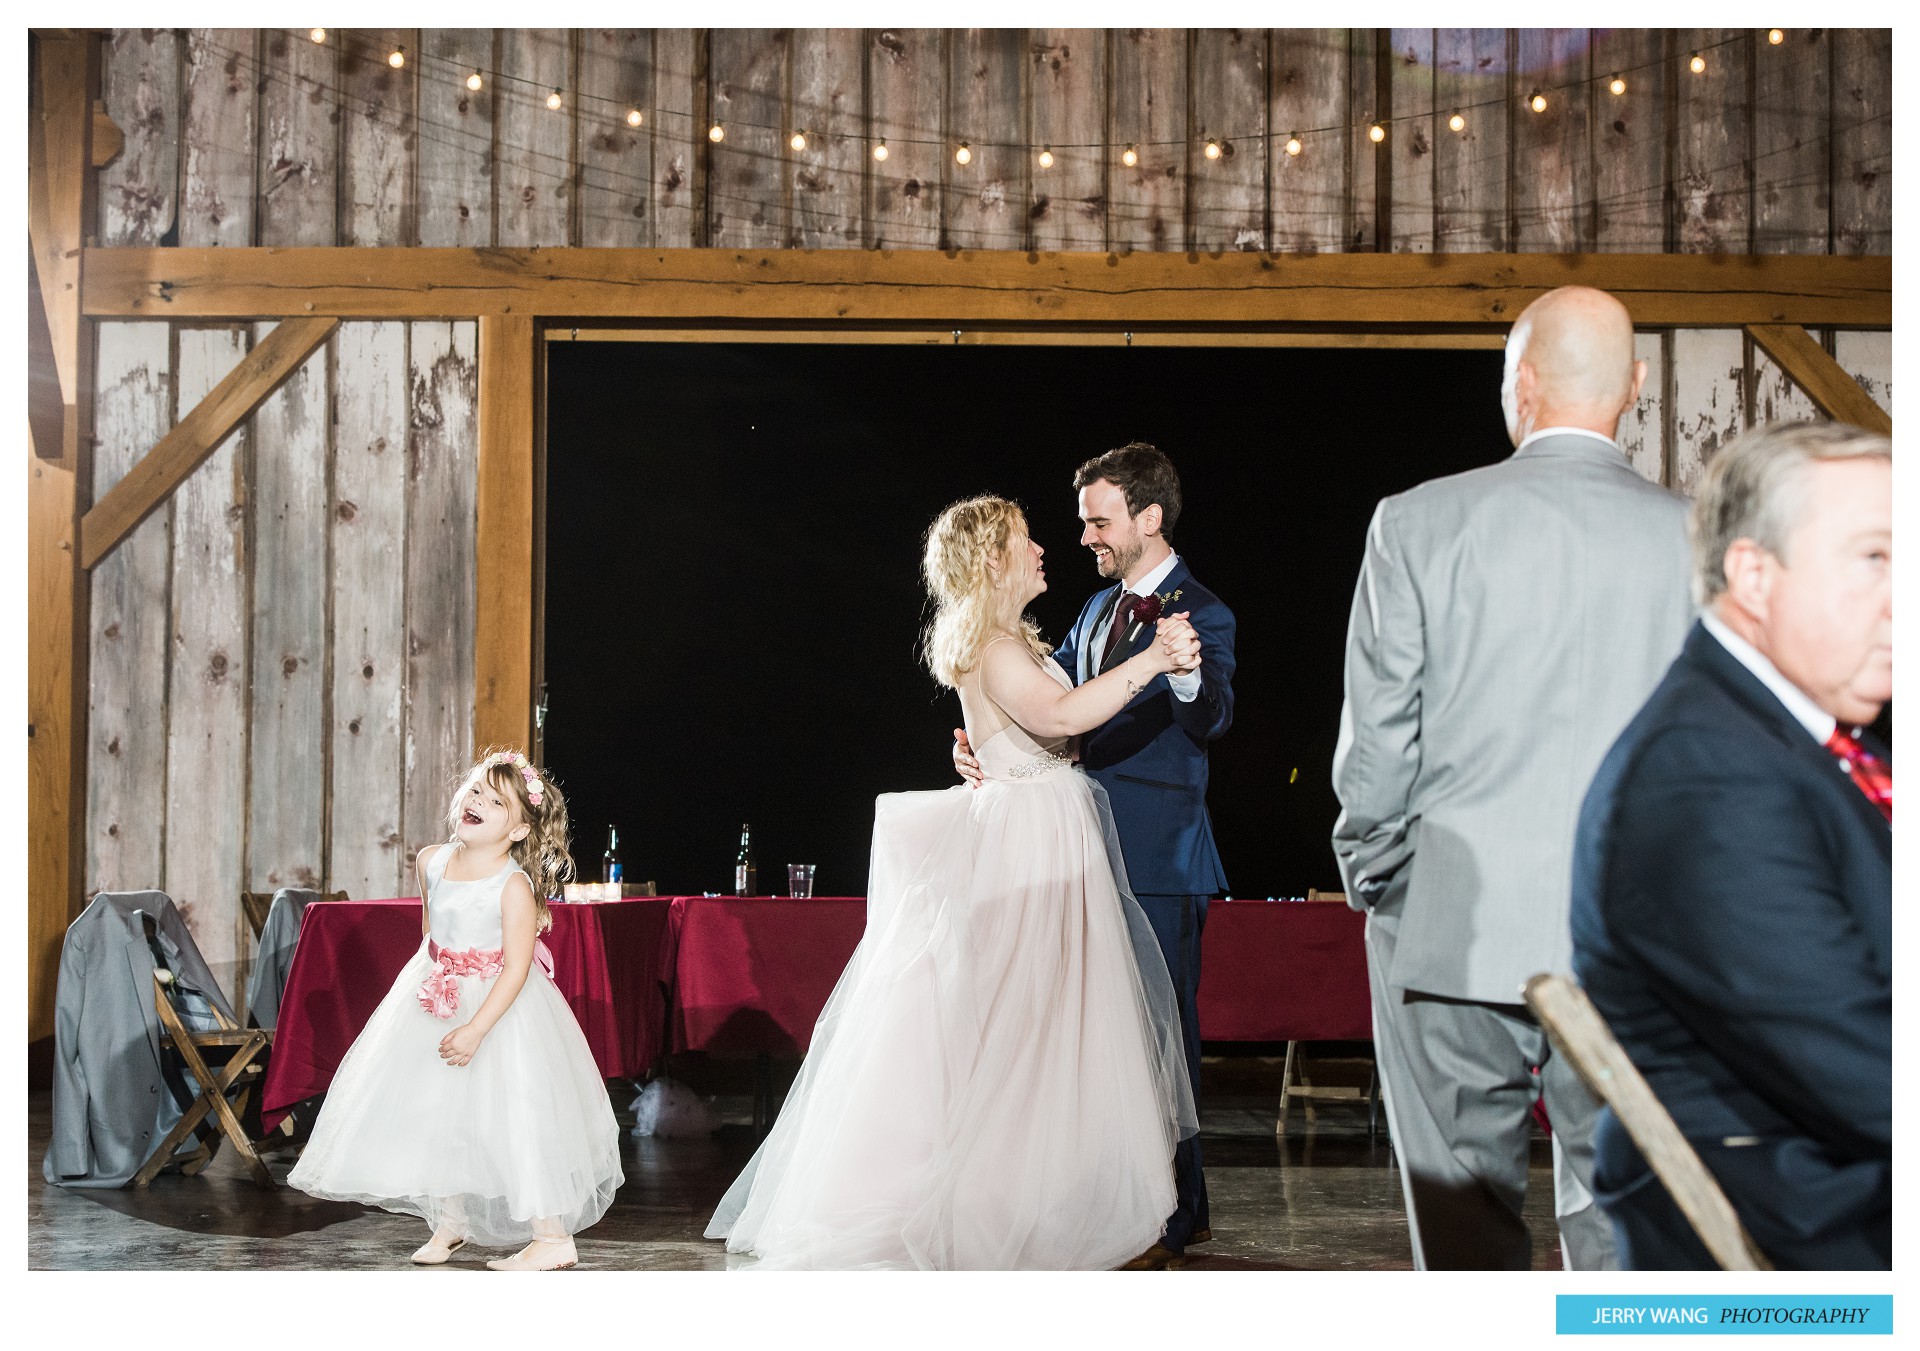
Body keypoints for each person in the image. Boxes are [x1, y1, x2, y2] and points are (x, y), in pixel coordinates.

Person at [707, 495, 1201, 1269]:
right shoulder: (993, 644)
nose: (1043, 547)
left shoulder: (1009, 638)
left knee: (1052, 1030)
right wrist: (1155, 661)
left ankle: (1069, 1208)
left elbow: (1030, 729)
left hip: (1045, 826)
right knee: (1026, 1029)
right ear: (992, 558)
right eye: (1024, 538)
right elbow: (1066, 713)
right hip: (1030, 842)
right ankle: (1007, 1211)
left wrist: (990, 750)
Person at [1331, 285, 1693, 1270]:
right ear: (1639, 387)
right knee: (1626, 1234)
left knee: (1463, 1240)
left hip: (1451, 921)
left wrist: (1382, 882)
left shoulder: (1416, 524)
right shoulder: (1703, 543)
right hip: (1634, 938)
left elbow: (1377, 751)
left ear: (1519, 385)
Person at [1571, 421, 1892, 1270]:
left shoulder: (1803, 739)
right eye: (1874, 559)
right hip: (1818, 1223)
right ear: (1754, 574)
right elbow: (1873, 1076)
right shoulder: (1708, 779)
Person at [953, 442, 1235, 1266]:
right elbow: (1059, 712)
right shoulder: (1092, 613)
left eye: (1099, 520)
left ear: (1148, 519)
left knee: (1161, 1033)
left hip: (1156, 852)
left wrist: (1177, 669)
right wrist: (989, 749)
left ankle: (1180, 1212)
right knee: (1095, 1039)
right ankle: (1114, 1202)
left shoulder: (1203, 611)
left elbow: (1210, 714)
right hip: (1075, 856)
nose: (1085, 537)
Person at [289, 750, 623, 1271]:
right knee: (436, 1108)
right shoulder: (432, 861)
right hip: (437, 996)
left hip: (499, 1009)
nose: (477, 803)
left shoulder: (513, 885)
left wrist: (476, 1027)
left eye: (496, 802)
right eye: (474, 792)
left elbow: (516, 969)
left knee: (515, 1115)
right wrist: (430, 994)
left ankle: (551, 1236)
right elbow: (431, 934)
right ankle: (451, 1221)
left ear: (517, 831)